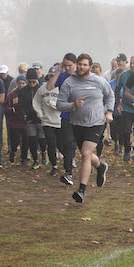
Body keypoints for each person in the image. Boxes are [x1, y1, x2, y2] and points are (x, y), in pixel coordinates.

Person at [55, 53, 114, 203]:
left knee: (86, 154)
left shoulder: (99, 81)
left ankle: (81, 190)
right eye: (80, 64)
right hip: (77, 124)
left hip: (96, 122)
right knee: (85, 154)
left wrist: (109, 112)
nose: (81, 67)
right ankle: (101, 167)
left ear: (90, 67)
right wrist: (73, 105)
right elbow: (59, 104)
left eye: (85, 65)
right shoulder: (69, 83)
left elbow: (110, 96)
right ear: (76, 65)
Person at [50, 53, 78, 185]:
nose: (67, 68)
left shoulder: (81, 77)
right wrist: (58, 71)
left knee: (81, 146)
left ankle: (70, 172)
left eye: (70, 66)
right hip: (66, 115)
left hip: (81, 117)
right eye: (65, 65)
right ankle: (69, 171)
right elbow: (50, 87)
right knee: (64, 144)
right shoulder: (62, 76)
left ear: (75, 64)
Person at [33, 67, 62, 176]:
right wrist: (40, 114)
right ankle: (54, 166)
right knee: (50, 144)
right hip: (47, 121)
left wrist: (58, 106)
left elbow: (69, 103)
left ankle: (67, 162)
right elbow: (36, 102)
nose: (52, 77)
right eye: (50, 75)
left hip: (60, 120)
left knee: (62, 144)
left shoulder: (62, 88)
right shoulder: (42, 89)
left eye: (54, 75)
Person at [18, 68, 45, 167]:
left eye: (33, 81)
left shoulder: (41, 89)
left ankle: (43, 153)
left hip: (40, 119)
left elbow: (45, 103)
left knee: (42, 140)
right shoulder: (23, 91)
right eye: (29, 81)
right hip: (29, 120)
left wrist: (43, 115)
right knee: (32, 141)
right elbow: (19, 106)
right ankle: (35, 160)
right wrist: (24, 115)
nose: (31, 83)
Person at [115, 54, 134, 162]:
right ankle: (127, 149)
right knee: (126, 131)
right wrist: (118, 103)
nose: (132, 65)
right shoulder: (123, 75)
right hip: (126, 107)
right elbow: (117, 90)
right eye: (131, 63)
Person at [5, 76, 29, 164]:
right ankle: (13, 151)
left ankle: (24, 158)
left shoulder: (28, 93)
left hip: (25, 122)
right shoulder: (12, 95)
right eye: (19, 83)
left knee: (25, 141)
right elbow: (6, 107)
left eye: (23, 83)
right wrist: (11, 110)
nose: (21, 85)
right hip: (14, 122)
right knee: (15, 141)